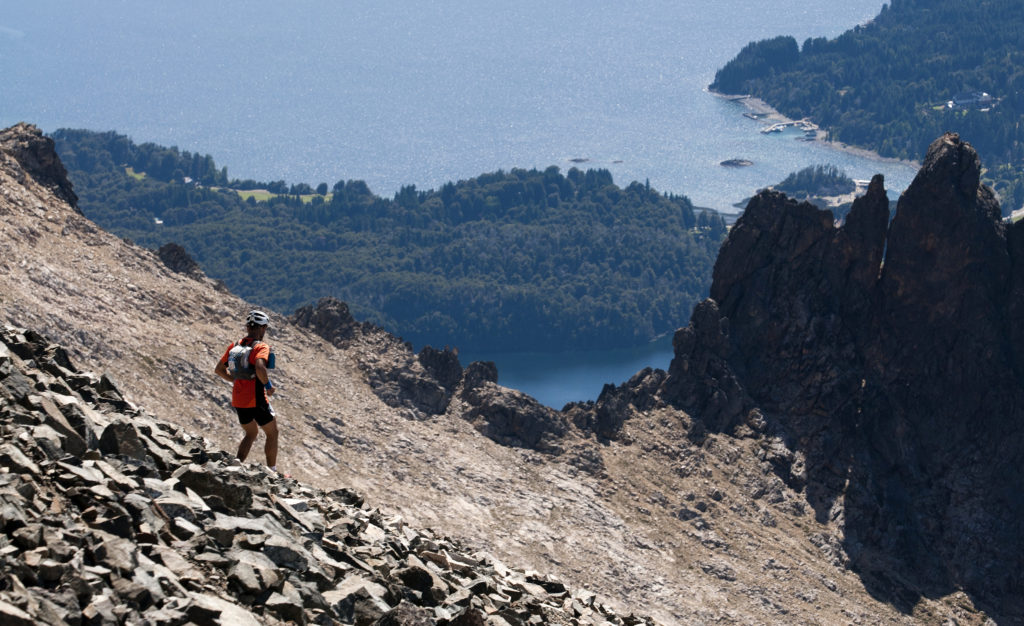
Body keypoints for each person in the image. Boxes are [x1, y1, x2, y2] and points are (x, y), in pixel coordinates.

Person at [214, 310, 279, 472]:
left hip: (238, 399)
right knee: (272, 433)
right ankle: (272, 470)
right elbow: (259, 367)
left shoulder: (235, 345)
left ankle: (237, 463)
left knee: (251, 433)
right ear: (263, 328)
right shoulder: (261, 347)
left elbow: (219, 369)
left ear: (247, 327)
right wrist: (268, 386)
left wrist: (235, 380)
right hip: (256, 398)